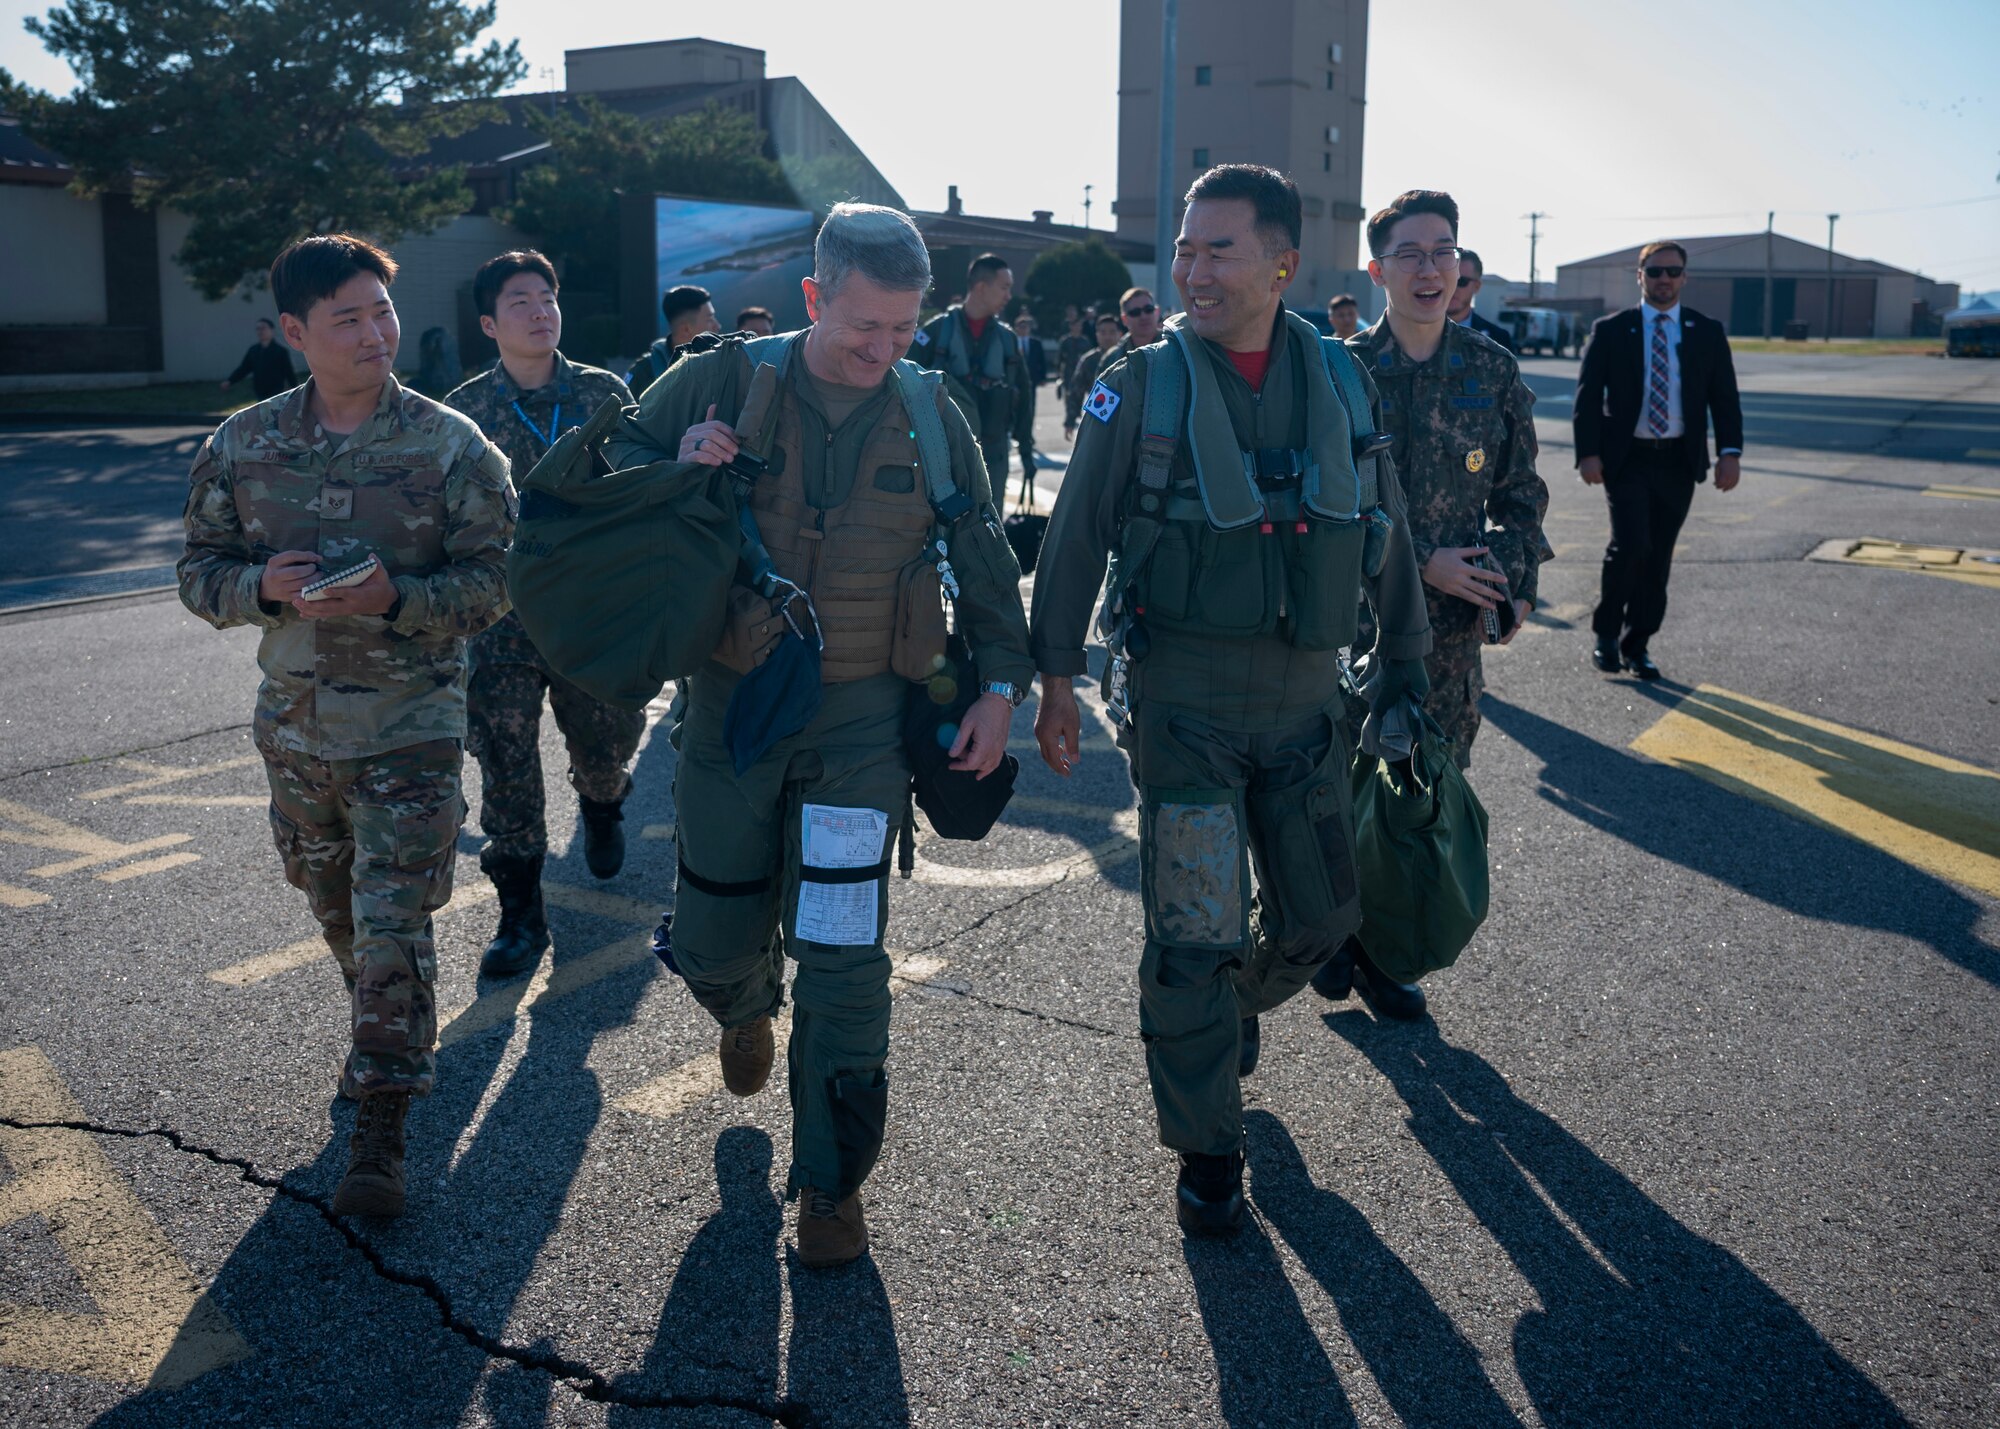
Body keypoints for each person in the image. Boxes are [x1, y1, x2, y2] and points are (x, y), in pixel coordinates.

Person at [604, 203, 1032, 1267]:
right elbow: (598, 483)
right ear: (811, 296)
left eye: (903, 329)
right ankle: (741, 1004)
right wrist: (676, 463)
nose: (882, 350)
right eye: (861, 329)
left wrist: (1000, 689)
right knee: (710, 940)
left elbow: (981, 559)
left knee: (844, 960)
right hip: (733, 710)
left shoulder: (933, 413)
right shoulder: (716, 379)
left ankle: (832, 1184)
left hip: (862, 728)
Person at [1029, 165, 1431, 1237]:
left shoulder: (1343, 383)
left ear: (1280, 264)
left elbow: (1384, 530)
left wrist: (1405, 663)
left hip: (1308, 713)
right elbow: (1073, 538)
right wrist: (1053, 677)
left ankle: (1217, 1014)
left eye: (1218, 250)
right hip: (1186, 713)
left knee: (1321, 919)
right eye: (1184, 248)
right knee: (1193, 933)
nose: (1190, 270)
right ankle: (1208, 1148)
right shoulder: (1140, 384)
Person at [178, 234, 515, 1218]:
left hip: (410, 727)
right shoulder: (243, 443)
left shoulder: (451, 445)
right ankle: (393, 1028)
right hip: (294, 729)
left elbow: (493, 583)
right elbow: (199, 572)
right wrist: (259, 586)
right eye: (348, 319)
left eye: (383, 312)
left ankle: (382, 1117)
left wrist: (397, 595)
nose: (376, 333)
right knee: (333, 906)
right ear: (294, 333)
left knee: (388, 922)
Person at [1310, 190, 1547, 1021]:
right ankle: (1328, 931)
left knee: (1419, 794)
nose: (1430, 267)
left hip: (1445, 644)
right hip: (1341, 628)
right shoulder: (1334, 370)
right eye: (1409, 253)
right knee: (1330, 787)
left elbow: (1523, 499)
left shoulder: (1492, 371)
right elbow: (1308, 507)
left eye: (1443, 250)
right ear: (1376, 270)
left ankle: (1382, 951)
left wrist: (1506, 584)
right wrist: (1419, 563)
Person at [442, 251, 644, 977]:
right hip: (499, 617)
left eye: (548, 296)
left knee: (605, 738)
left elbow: (639, 490)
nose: (540, 310)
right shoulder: (464, 412)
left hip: (589, 613)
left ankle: (604, 798)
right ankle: (521, 917)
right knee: (506, 763)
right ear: (491, 322)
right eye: (521, 300)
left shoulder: (604, 393)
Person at [1575, 240, 1743, 681]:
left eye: (1672, 271)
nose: (1664, 279)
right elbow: (1588, 397)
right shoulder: (1612, 329)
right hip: (1626, 459)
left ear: (1684, 277)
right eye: (1655, 272)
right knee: (1631, 546)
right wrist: (1588, 453)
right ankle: (1607, 633)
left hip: (1678, 461)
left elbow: (1724, 398)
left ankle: (1639, 644)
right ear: (1640, 276)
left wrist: (1730, 453)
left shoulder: (1705, 330)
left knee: (1659, 556)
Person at [909, 253, 1029, 493]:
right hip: (942, 453)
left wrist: (1026, 447)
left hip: (994, 455)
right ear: (982, 287)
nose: (1008, 296)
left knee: (990, 521)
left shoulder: (1008, 341)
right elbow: (905, 382)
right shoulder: (934, 333)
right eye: (1004, 287)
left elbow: (1024, 396)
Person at [1064, 289, 1163, 433]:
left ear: (1157, 311)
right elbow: (1099, 413)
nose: (1143, 316)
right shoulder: (1111, 360)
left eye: (1148, 309)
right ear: (1125, 319)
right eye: (1135, 312)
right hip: (1124, 442)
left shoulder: (1178, 351)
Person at [627, 285, 722, 394]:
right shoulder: (644, 373)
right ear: (686, 329)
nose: (717, 326)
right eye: (709, 319)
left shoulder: (719, 364)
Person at [1064, 311, 1125, 436]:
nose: (1107, 337)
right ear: (1097, 335)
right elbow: (1076, 391)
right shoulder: (1089, 360)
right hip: (1100, 417)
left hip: (1127, 419)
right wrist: (1070, 421)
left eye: (1112, 332)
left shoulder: (1130, 357)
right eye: (1103, 332)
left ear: (1120, 334)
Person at [1448, 249, 1518, 354]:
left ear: (1476, 286)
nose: (1453, 288)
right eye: (1448, 279)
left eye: (1461, 281)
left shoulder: (1498, 340)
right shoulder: (1416, 333)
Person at [1011, 311, 1047, 502]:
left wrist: (1041, 378)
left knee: (1030, 408)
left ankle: (1028, 433)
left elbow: (1040, 361)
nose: (1024, 329)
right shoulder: (1012, 341)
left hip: (1031, 382)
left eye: (1026, 326)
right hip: (1014, 384)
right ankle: (1019, 432)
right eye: (1021, 326)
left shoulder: (1035, 343)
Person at [220, 318, 298, 401]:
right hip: (260, 393)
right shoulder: (253, 350)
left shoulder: (280, 351)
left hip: (276, 393)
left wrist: (296, 391)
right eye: (258, 329)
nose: (260, 331)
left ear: (272, 330)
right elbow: (244, 368)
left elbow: (289, 372)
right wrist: (230, 381)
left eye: (263, 328)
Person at [1055, 311, 1093, 408]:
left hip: (1082, 374)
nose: (1077, 328)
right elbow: (1060, 359)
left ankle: (1077, 416)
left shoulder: (1085, 341)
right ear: (1071, 327)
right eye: (1075, 325)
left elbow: (1090, 359)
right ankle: (1070, 418)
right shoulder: (1065, 341)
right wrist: (1058, 375)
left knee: (1081, 397)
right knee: (1069, 397)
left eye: (1079, 325)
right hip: (1068, 373)